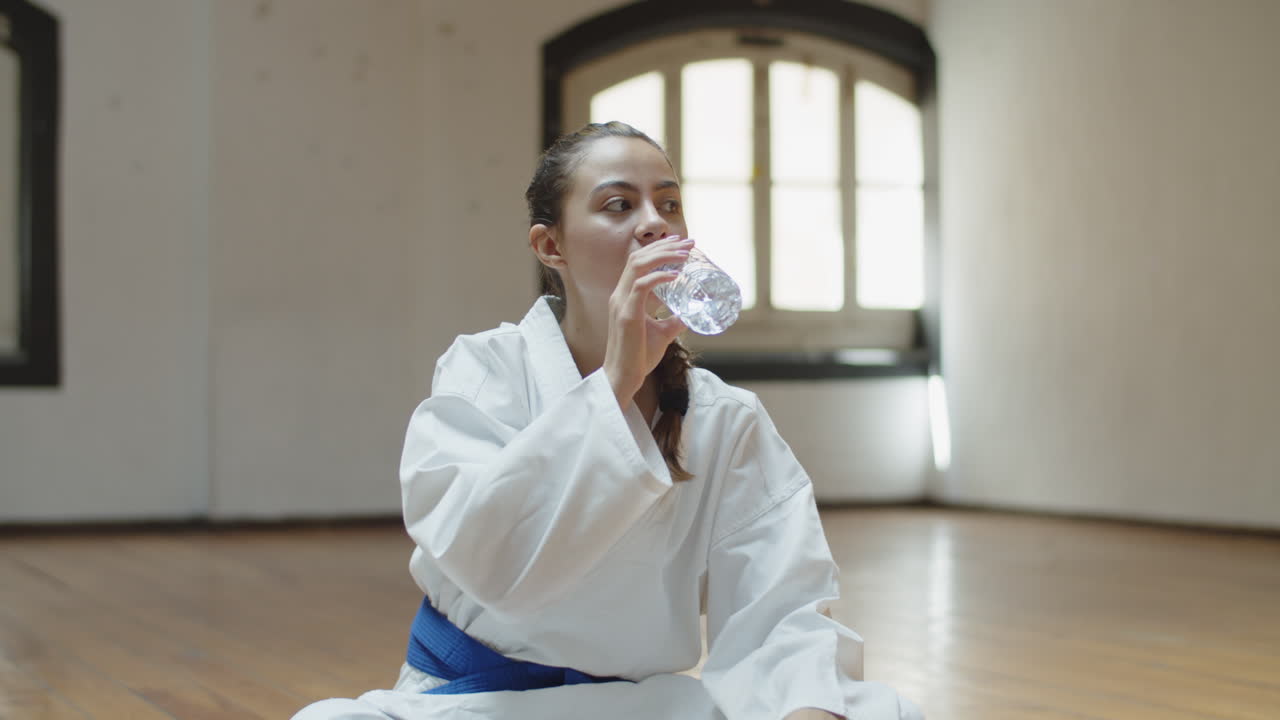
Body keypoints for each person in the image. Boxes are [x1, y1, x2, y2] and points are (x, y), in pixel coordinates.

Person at [292, 122, 924, 720]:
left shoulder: (725, 418)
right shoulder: (484, 371)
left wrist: (804, 707)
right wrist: (617, 381)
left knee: (881, 710)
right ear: (550, 245)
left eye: (669, 205)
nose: (654, 224)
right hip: (473, 704)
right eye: (619, 205)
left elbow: (783, 611)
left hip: (633, 705)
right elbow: (492, 564)